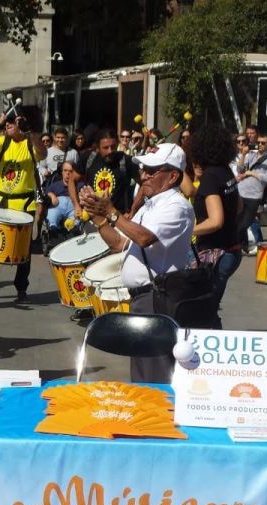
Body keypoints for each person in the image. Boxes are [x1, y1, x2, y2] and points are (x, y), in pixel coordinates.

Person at [83, 143, 194, 383]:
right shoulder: (150, 206)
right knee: (143, 373)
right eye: (143, 169)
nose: (143, 176)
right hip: (144, 298)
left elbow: (144, 238)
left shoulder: (177, 207)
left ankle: (161, 407)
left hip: (158, 297)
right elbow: (118, 244)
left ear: (173, 176)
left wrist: (112, 213)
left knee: (155, 373)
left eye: (152, 171)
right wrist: (98, 218)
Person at [0, 112, 46, 302]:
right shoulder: (3, 141)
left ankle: (21, 289)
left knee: (24, 250)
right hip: (0, 202)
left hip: (23, 205)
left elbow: (43, 153)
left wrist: (30, 132)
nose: (8, 125)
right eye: (6, 123)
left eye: (11, 123)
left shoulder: (29, 143)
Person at [190, 123, 241, 310]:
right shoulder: (226, 171)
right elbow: (239, 206)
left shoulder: (210, 177)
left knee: (203, 311)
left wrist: (188, 231)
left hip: (217, 254)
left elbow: (216, 221)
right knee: (209, 308)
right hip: (232, 249)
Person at [234, 134, 267, 254]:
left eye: (263, 143)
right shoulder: (251, 155)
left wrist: (251, 173)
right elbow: (240, 169)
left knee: (246, 222)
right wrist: (243, 155)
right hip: (241, 192)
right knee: (237, 221)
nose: (260, 145)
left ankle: (239, 245)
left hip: (254, 196)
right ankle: (242, 247)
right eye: (258, 142)